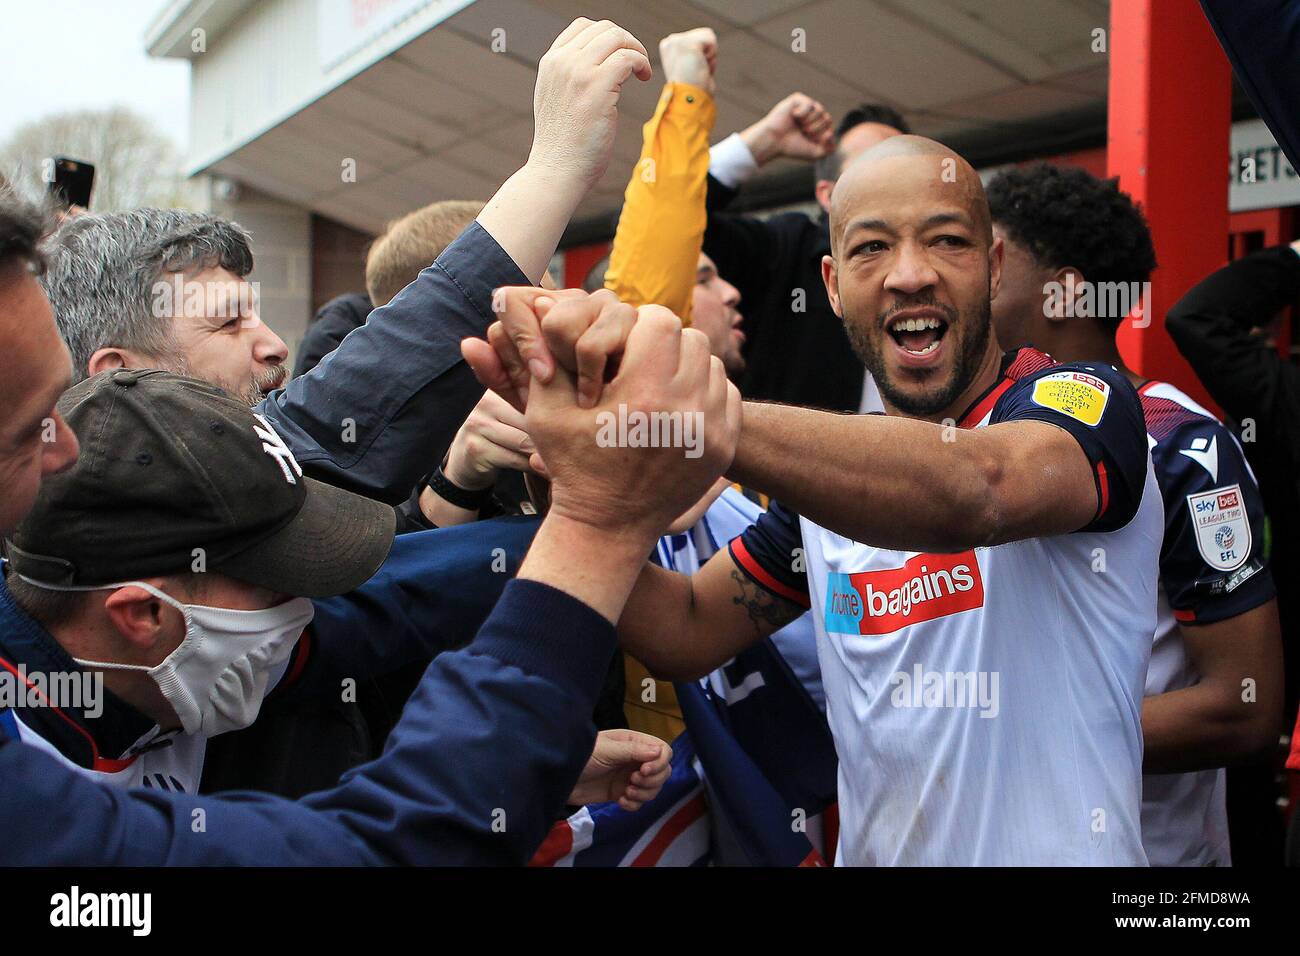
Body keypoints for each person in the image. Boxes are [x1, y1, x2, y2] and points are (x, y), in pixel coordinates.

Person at [0, 16, 732, 860]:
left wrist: (556, 168)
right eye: (31, 428)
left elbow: (383, 524)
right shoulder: (46, 813)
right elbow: (384, 848)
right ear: (141, 617)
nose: (63, 451)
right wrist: (599, 528)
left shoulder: (195, 562)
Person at [467, 134, 1163, 865]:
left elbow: (980, 488)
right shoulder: (830, 490)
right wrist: (567, 475)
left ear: (991, 270)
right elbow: (685, 626)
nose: (909, 275)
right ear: (831, 285)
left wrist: (697, 416)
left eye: (947, 241)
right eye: (871, 249)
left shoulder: (1083, 403)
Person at [985, 162, 1283, 866]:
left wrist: (1012, 735)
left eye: (994, 260)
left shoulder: (1185, 442)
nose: (968, 280)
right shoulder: (968, 437)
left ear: (1064, 290)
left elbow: (1243, 706)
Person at [704, 89, 908, 412]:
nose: (895, 183)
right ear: (828, 196)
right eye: (874, 167)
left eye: (907, 170)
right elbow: (665, 217)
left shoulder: (941, 264)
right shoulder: (787, 250)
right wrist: (759, 144)